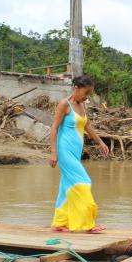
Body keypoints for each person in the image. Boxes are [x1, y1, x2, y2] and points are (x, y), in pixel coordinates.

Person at [49, 75, 109, 233]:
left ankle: (60, 223)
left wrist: (100, 142)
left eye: (89, 94)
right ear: (76, 88)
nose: (86, 97)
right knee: (83, 181)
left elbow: (87, 125)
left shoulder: (81, 105)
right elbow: (54, 128)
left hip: (75, 153)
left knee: (66, 187)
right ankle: (88, 224)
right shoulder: (64, 104)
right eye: (86, 92)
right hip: (64, 151)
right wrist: (53, 153)